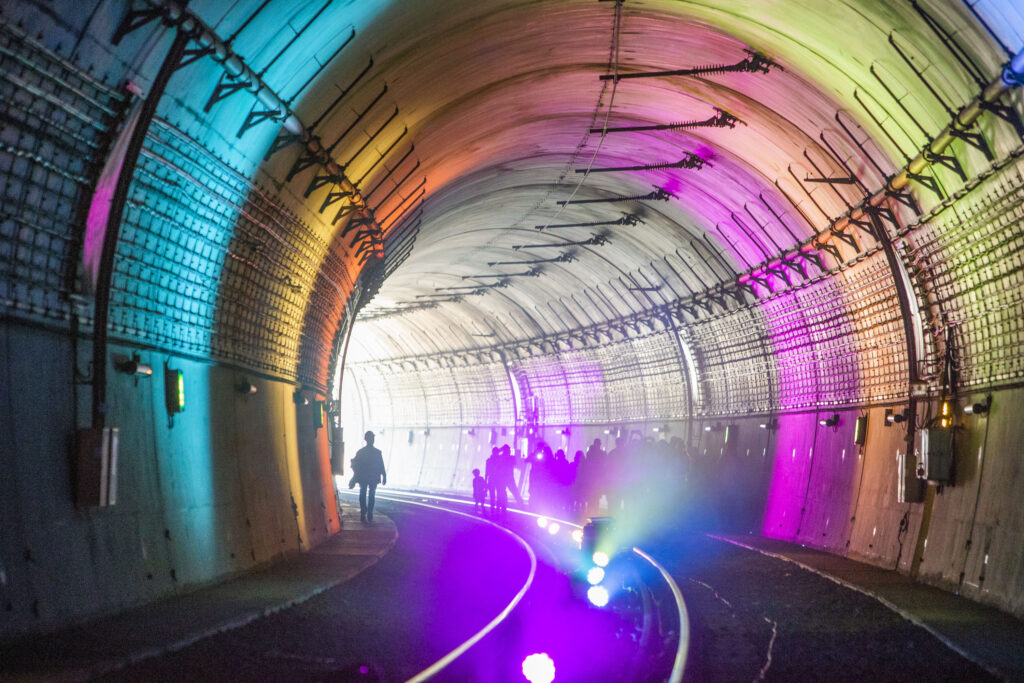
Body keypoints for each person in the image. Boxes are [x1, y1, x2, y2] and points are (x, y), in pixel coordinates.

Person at [349, 430, 387, 522]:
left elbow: (355, 465)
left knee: (363, 493)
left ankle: (364, 512)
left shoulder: (361, 452)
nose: (372, 439)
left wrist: (355, 477)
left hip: (363, 477)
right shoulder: (377, 453)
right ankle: (369, 512)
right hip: (373, 477)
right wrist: (384, 475)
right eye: (372, 438)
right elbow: (381, 465)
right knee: (371, 494)